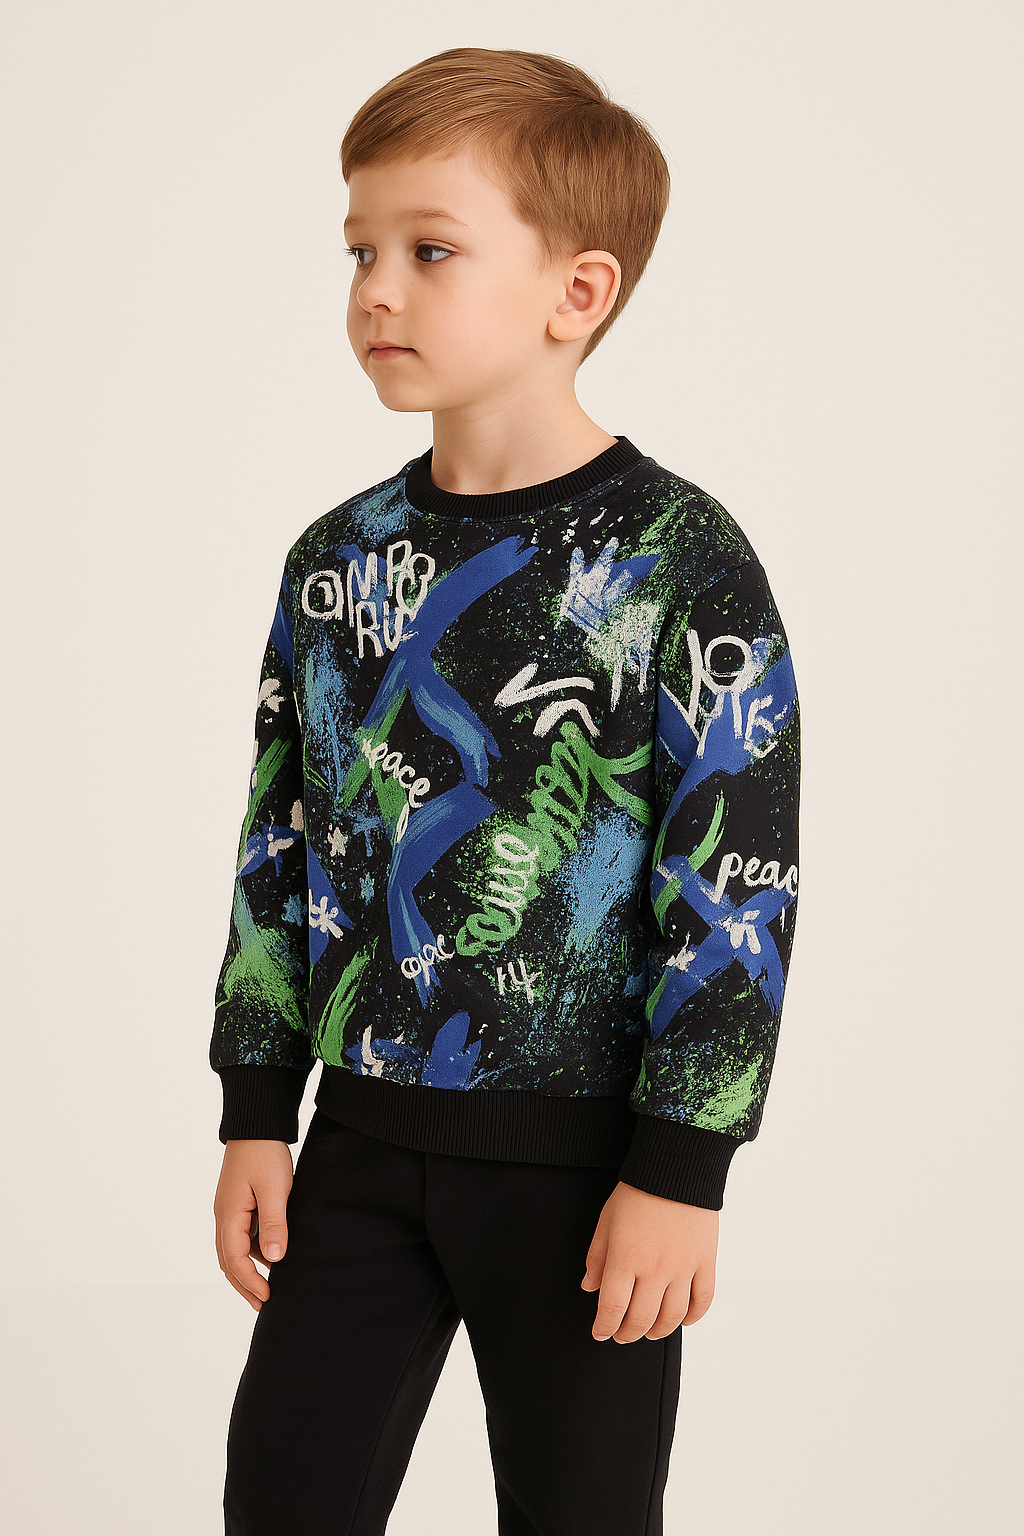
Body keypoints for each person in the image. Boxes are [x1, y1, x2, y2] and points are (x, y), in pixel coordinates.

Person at [210, 45, 801, 1536]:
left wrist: (682, 1169)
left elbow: (737, 879)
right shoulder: (334, 563)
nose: (375, 291)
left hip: (585, 1170)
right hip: (355, 1148)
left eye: (430, 251)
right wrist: (255, 1110)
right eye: (359, 251)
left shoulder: (679, 559)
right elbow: (281, 840)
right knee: (280, 1500)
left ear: (577, 291)